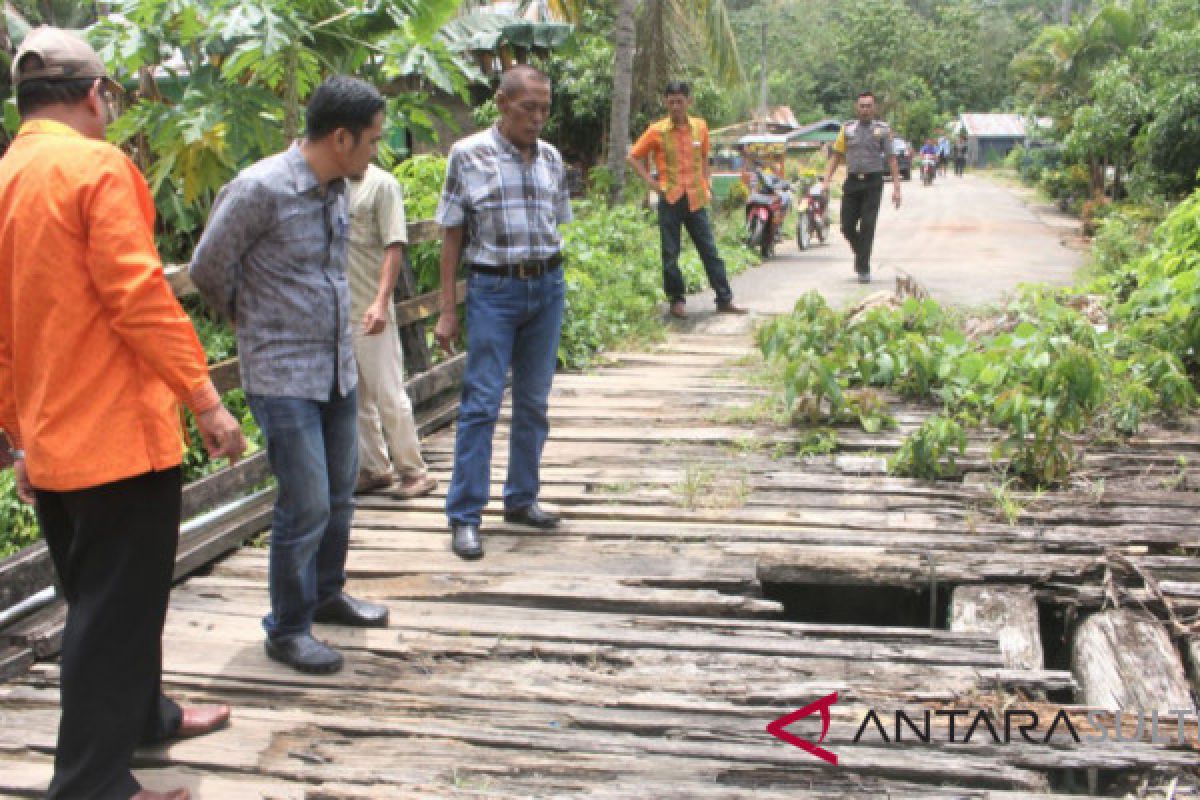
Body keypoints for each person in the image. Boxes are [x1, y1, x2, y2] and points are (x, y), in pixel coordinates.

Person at [0, 26, 245, 800]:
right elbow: (138, 297)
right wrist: (204, 397)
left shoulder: (7, 175)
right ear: (94, 96)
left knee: (112, 601)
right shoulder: (96, 167)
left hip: (52, 441)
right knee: (111, 614)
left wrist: (17, 441)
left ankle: (145, 718)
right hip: (117, 442)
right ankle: (91, 782)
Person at [190, 76, 391, 676]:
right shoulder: (259, 189)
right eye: (373, 140)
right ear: (340, 137)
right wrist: (251, 317)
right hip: (281, 374)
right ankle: (288, 628)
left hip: (335, 368)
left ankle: (326, 593)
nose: (377, 150)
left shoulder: (334, 189)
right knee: (303, 504)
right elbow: (207, 269)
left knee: (338, 497)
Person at [433, 65, 571, 561]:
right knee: (482, 403)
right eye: (527, 108)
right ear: (501, 102)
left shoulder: (552, 158)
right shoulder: (468, 155)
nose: (537, 118)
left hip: (547, 287)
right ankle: (465, 514)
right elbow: (452, 235)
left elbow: (556, 223)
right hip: (493, 289)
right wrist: (448, 310)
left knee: (534, 401)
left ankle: (522, 498)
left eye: (544, 109)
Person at [346, 162, 438, 498]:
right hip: (341, 311)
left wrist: (382, 301)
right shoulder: (330, 184)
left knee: (388, 392)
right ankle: (374, 468)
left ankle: (413, 470)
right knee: (355, 398)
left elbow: (393, 247)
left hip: (370, 307)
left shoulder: (382, 185)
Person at [628, 80, 747, 319]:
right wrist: (652, 184)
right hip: (670, 199)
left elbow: (704, 158)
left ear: (688, 102)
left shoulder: (700, 128)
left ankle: (724, 299)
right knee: (670, 253)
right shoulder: (656, 131)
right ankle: (677, 300)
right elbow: (633, 156)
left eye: (679, 101)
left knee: (709, 250)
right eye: (671, 102)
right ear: (665, 102)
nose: (675, 106)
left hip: (696, 198)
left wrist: (707, 183)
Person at [821, 91, 902, 283]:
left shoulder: (882, 130)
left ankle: (863, 268)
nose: (865, 109)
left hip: (873, 183)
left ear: (874, 108)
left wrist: (897, 188)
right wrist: (826, 181)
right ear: (857, 108)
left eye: (869, 106)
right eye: (862, 106)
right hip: (852, 182)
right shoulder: (847, 130)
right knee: (846, 227)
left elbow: (891, 159)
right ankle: (862, 255)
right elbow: (836, 156)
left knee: (867, 225)